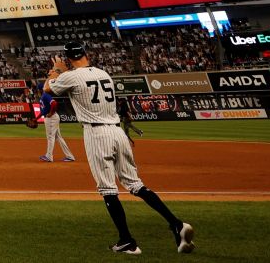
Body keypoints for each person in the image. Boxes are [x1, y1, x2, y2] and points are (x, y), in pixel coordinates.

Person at [46, 42, 194, 255]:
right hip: (117, 131)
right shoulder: (103, 73)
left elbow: (47, 88)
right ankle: (177, 224)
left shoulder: (70, 75)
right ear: (86, 54)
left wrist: (56, 69)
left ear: (69, 58)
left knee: (107, 189)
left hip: (97, 133)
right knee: (136, 184)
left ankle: (127, 241)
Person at [38, 90, 75, 163]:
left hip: (51, 118)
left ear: (39, 90)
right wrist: (36, 119)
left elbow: (54, 103)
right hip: (52, 117)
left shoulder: (45, 95)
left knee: (50, 137)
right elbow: (43, 111)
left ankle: (49, 156)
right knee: (58, 137)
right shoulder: (43, 97)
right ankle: (70, 156)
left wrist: (51, 113)